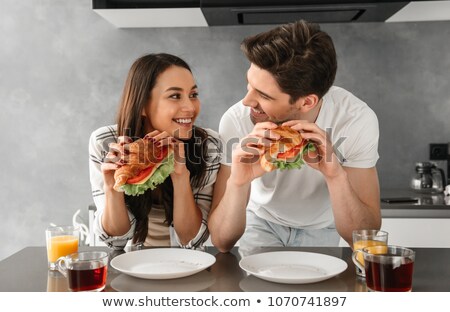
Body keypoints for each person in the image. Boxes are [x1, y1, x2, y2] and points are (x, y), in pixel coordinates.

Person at [208, 20, 381, 254]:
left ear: (307, 102)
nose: (247, 101)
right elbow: (221, 242)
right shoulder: (237, 118)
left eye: (263, 95)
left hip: (323, 227)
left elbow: (364, 238)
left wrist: (335, 174)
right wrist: (239, 181)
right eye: (249, 85)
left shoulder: (356, 120)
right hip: (260, 221)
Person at [89, 53, 221, 250]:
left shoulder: (209, 145)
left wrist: (180, 175)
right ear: (142, 105)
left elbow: (192, 240)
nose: (190, 107)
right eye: (175, 96)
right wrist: (112, 187)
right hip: (130, 265)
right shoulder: (106, 142)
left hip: (188, 266)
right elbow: (116, 241)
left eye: (193, 95)